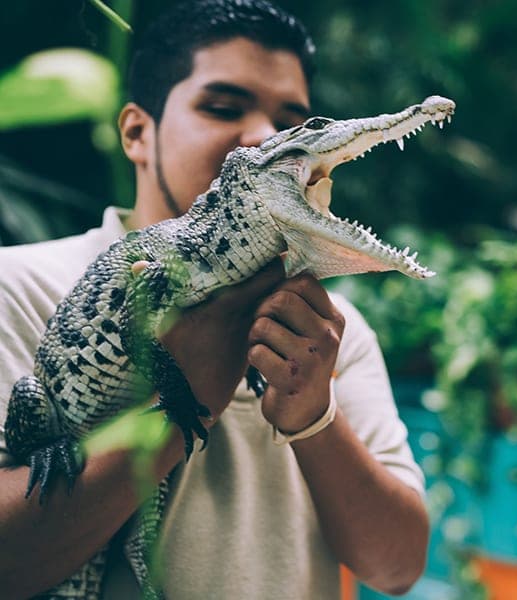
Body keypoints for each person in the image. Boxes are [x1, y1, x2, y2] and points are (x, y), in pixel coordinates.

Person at [0, 1, 429, 597]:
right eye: (222, 107)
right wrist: (190, 395)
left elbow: (398, 567)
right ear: (135, 132)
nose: (261, 137)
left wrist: (314, 415)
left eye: (291, 124)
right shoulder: (15, 286)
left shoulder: (336, 328)